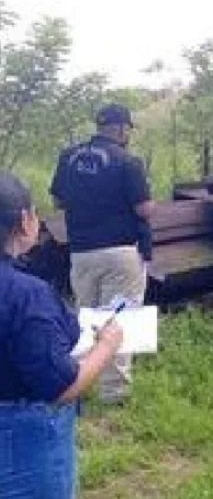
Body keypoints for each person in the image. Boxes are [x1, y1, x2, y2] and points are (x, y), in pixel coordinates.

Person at [0, 172, 123, 497]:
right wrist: (106, 347)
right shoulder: (26, 295)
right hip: (21, 444)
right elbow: (61, 387)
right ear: (25, 220)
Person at [50, 103, 153, 403]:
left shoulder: (68, 157)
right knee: (119, 319)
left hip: (81, 252)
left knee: (86, 319)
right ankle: (114, 394)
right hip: (121, 254)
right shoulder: (128, 161)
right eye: (128, 128)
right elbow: (144, 209)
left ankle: (77, 386)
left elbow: (57, 200)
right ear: (121, 129)